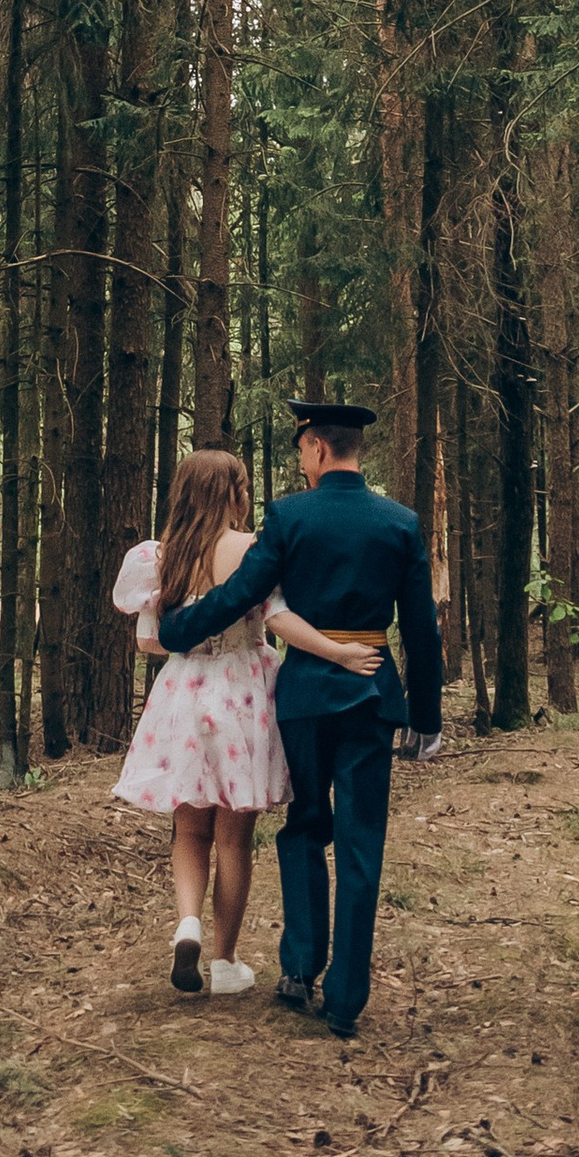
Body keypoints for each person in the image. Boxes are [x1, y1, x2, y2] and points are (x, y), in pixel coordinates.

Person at [156, 398, 443, 1040]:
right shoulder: (400, 522)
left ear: (315, 447)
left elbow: (244, 594)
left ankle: (298, 971)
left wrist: (179, 630)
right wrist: (427, 715)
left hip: (306, 695)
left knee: (306, 827)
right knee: (363, 841)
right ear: (351, 449)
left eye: (300, 451)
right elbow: (422, 628)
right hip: (372, 691)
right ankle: (345, 999)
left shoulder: (289, 515)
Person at [112, 448, 381, 996]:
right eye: (244, 486)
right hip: (242, 696)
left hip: (184, 696)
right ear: (233, 492)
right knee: (234, 839)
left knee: (189, 830)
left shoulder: (159, 557)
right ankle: (225, 962)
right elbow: (279, 619)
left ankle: (186, 923)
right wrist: (341, 653)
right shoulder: (255, 551)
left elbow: (147, 640)